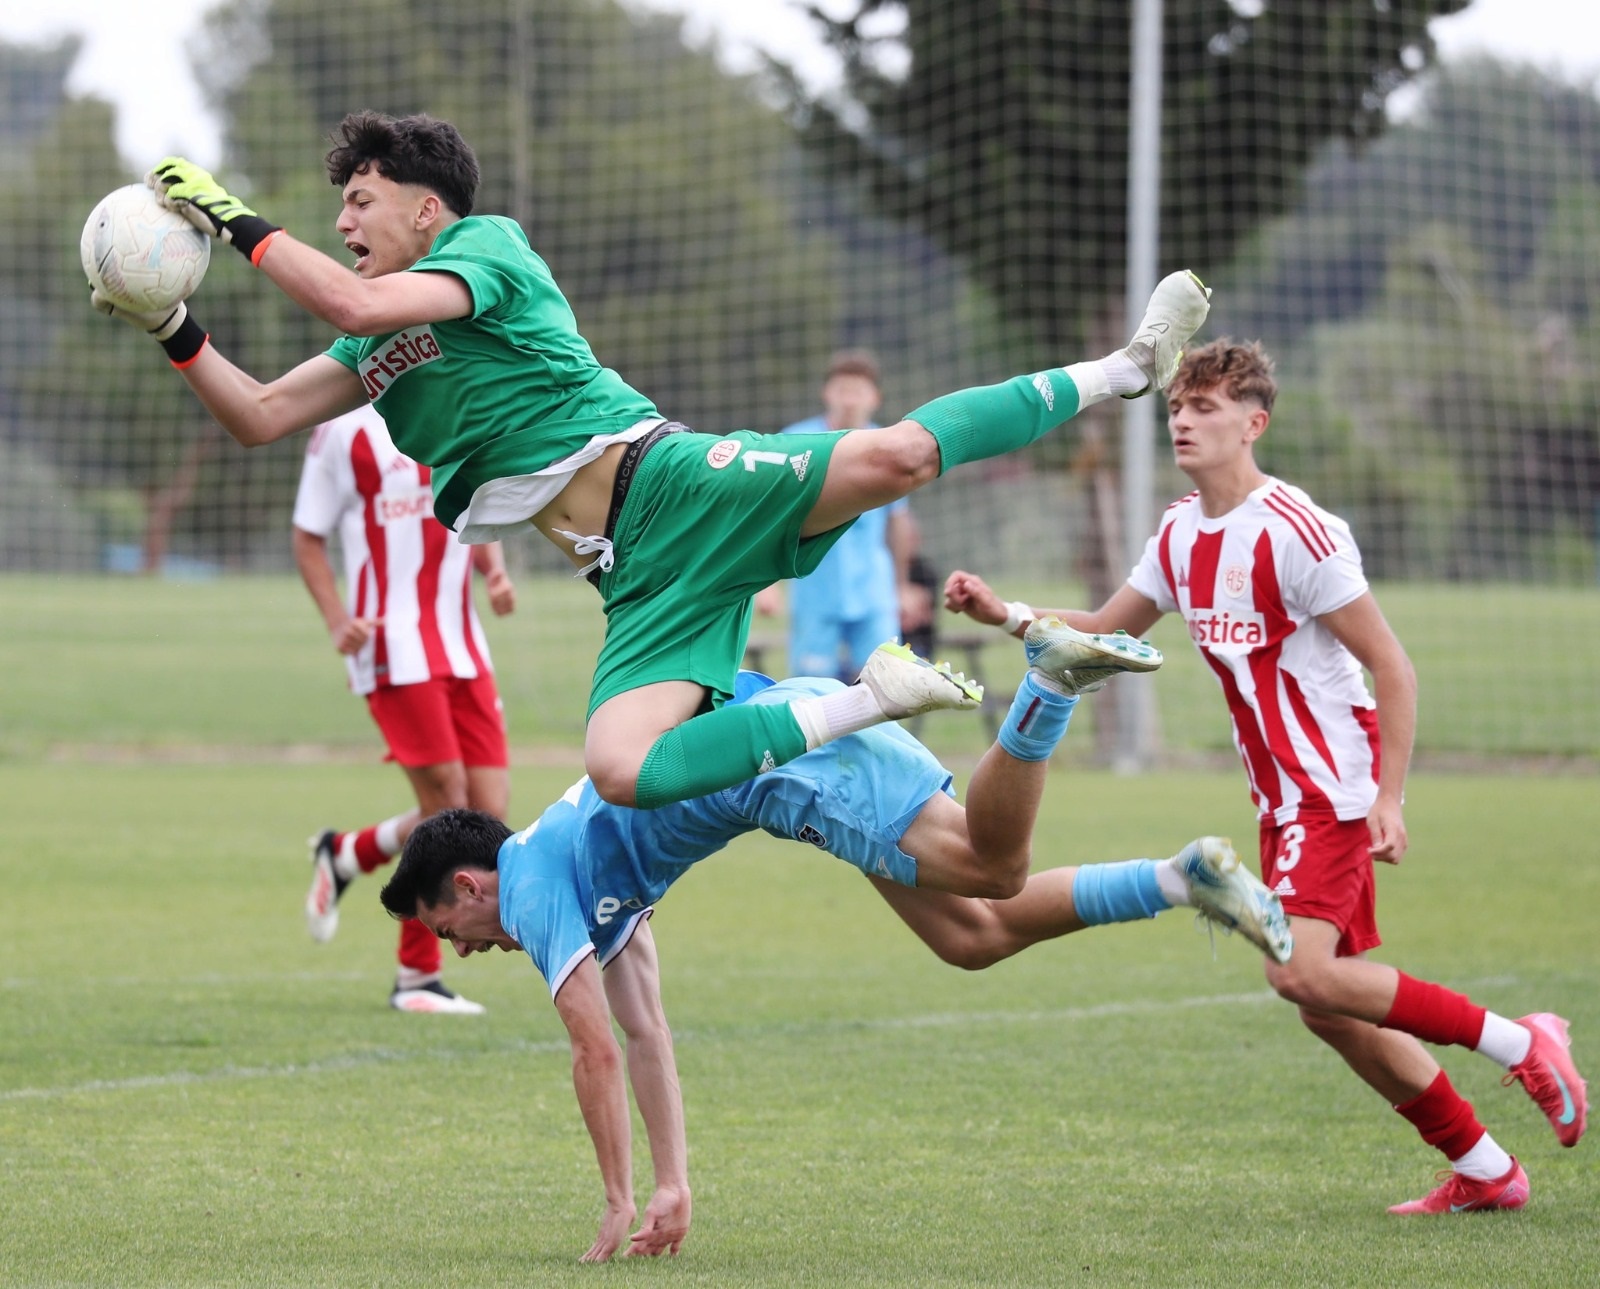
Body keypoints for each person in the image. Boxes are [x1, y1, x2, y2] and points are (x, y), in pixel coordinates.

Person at [89, 110, 1212, 814]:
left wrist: (234, 221)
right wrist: (167, 325)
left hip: (674, 482)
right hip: (629, 578)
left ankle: (1119, 367)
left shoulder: (485, 246)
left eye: (361, 199)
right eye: (337, 204)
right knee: (622, 768)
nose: (343, 218)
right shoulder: (367, 336)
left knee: (902, 452)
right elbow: (260, 413)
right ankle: (868, 699)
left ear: (426, 209)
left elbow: (347, 293)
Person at [377, 620, 1290, 1261]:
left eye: (443, 929)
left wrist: (617, 1198)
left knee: (992, 868)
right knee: (972, 937)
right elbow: (643, 1037)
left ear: (467, 884)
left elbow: (592, 1054)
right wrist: (671, 1183)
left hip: (786, 764)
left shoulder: (534, 887)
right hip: (788, 742)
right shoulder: (581, 878)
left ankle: (1045, 684)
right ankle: (1181, 878)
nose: (458, 948)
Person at [943, 338, 1588, 1214]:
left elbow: (1392, 667)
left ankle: (1524, 1039)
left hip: (1328, 788)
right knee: (1329, 1006)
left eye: (1205, 407)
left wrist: (1389, 797)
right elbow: (1099, 624)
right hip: (1281, 798)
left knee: (1302, 975)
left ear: (1255, 422)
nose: (1183, 420)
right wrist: (1006, 613)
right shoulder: (1178, 531)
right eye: (1176, 407)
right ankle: (1485, 1169)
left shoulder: (1297, 531)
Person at [293, 404, 516, 1013]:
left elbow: (475, 507)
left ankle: (348, 854)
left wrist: (494, 572)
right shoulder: (342, 427)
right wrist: (338, 621)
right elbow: (306, 534)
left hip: (463, 643)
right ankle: (417, 977)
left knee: (486, 813)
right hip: (391, 643)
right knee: (446, 804)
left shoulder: (456, 404)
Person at [754, 349, 920, 681]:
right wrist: (764, 584)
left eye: (857, 390)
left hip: (873, 591)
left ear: (874, 397)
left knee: (886, 686)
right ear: (826, 393)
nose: (849, 399)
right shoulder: (798, 442)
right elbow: (766, 513)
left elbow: (898, 520)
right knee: (808, 691)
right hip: (815, 591)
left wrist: (903, 586)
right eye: (842, 389)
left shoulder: (889, 446)